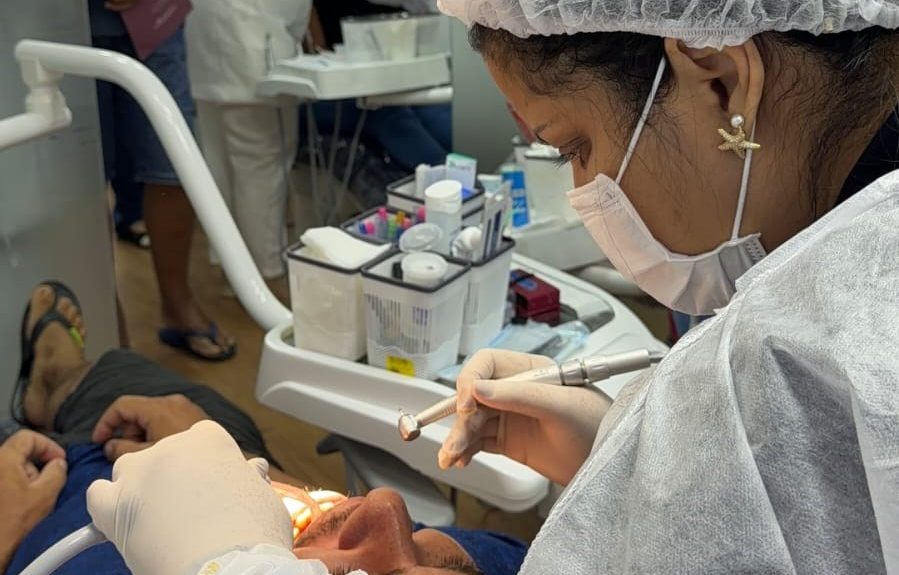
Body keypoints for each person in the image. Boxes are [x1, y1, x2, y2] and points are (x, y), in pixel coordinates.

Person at [84, 0, 899, 573]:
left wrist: (230, 561)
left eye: (572, 145)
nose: (581, 193)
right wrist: (624, 445)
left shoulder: (801, 362)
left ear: (718, 80)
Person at [3, 283, 526, 575]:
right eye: (430, 552)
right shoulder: (520, 564)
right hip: (184, 455)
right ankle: (61, 382)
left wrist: (7, 541)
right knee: (153, 390)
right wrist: (262, 481)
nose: (385, 506)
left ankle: (55, 383)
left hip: (40, 506)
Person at [89, 0, 236, 361]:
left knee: (173, 166)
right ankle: (106, 318)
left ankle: (177, 303)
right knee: (82, 180)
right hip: (59, 23)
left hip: (154, 20)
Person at [185, 0, 311, 282]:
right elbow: (294, 14)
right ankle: (264, 272)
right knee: (262, 170)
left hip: (206, 50)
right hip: (255, 53)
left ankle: (232, 268)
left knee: (219, 167)